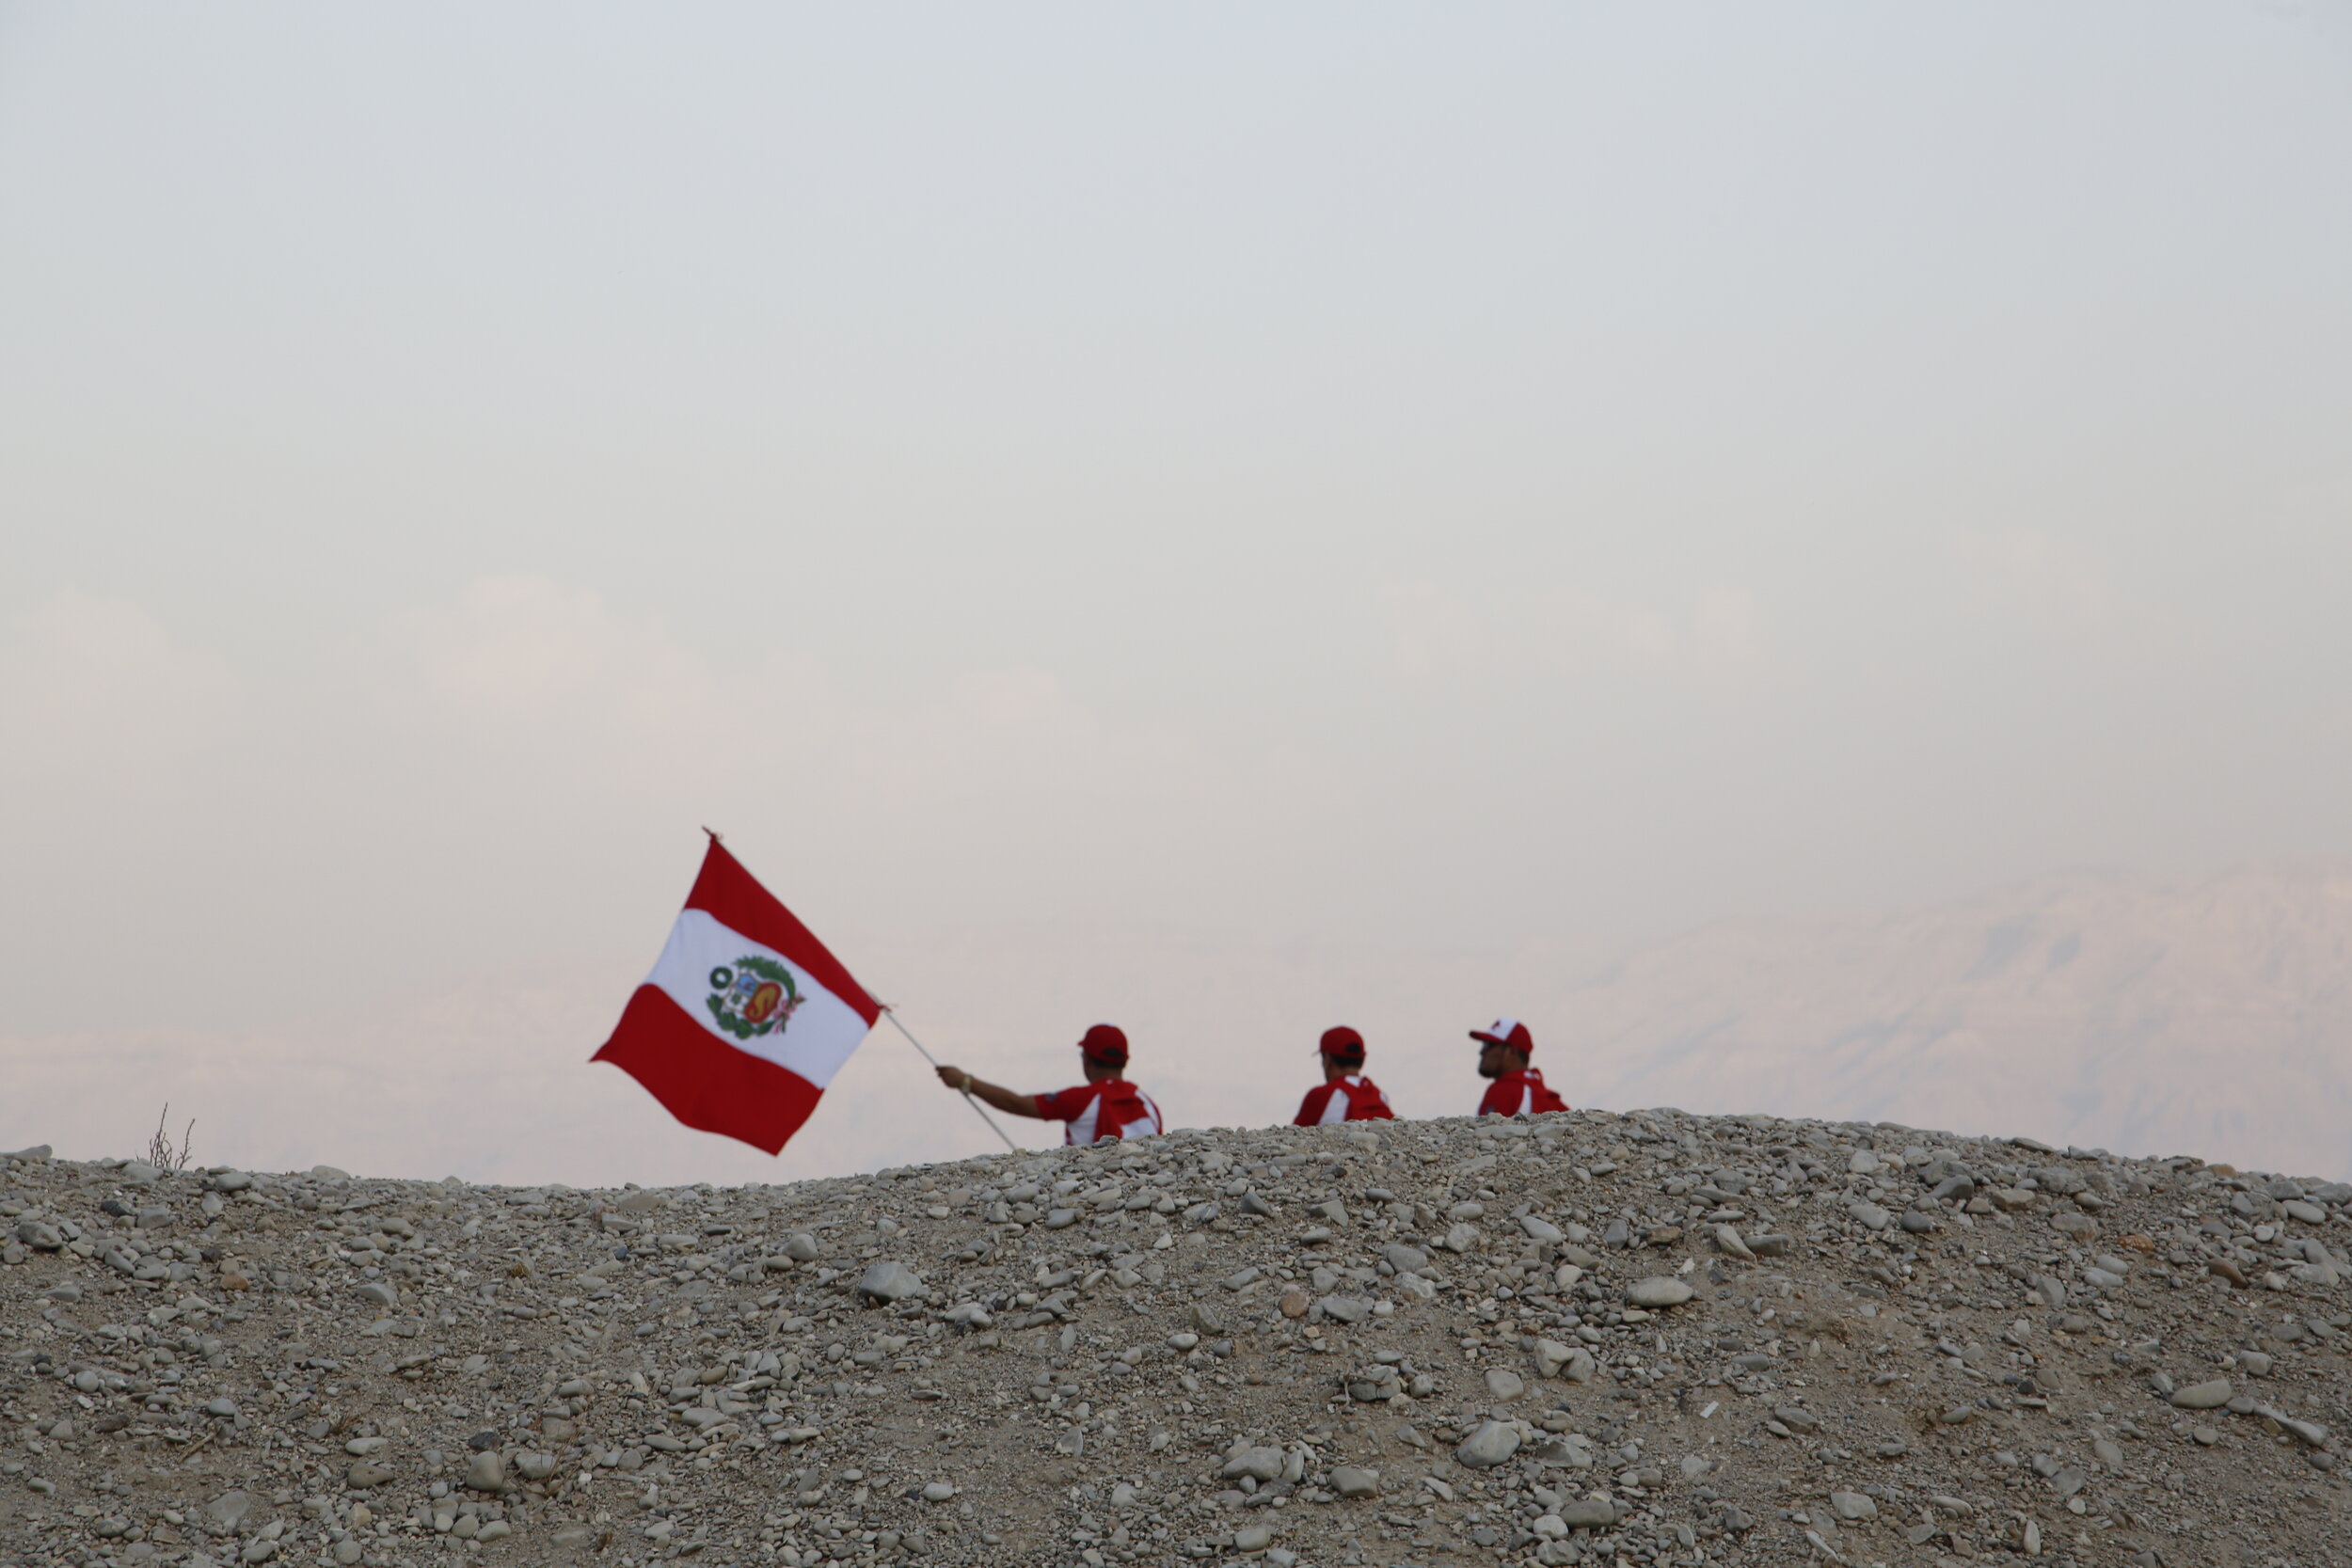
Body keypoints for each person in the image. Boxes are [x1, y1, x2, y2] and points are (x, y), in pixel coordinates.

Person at [934, 1022, 1164, 1145]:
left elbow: (1015, 1103)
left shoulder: (1081, 1100)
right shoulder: (1148, 1104)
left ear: (1086, 1060)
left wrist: (965, 1081)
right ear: (1125, 1061)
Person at [1293, 1026, 1396, 1125]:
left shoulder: (1319, 1096)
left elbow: (1292, 1137)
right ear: (1363, 1059)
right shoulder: (1381, 1096)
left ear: (1327, 1059)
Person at [1471, 1018, 1568, 1117]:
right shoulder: (1549, 1099)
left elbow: (1484, 1131)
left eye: (1489, 1045)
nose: (1482, 1052)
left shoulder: (1503, 1090)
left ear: (1512, 1052)